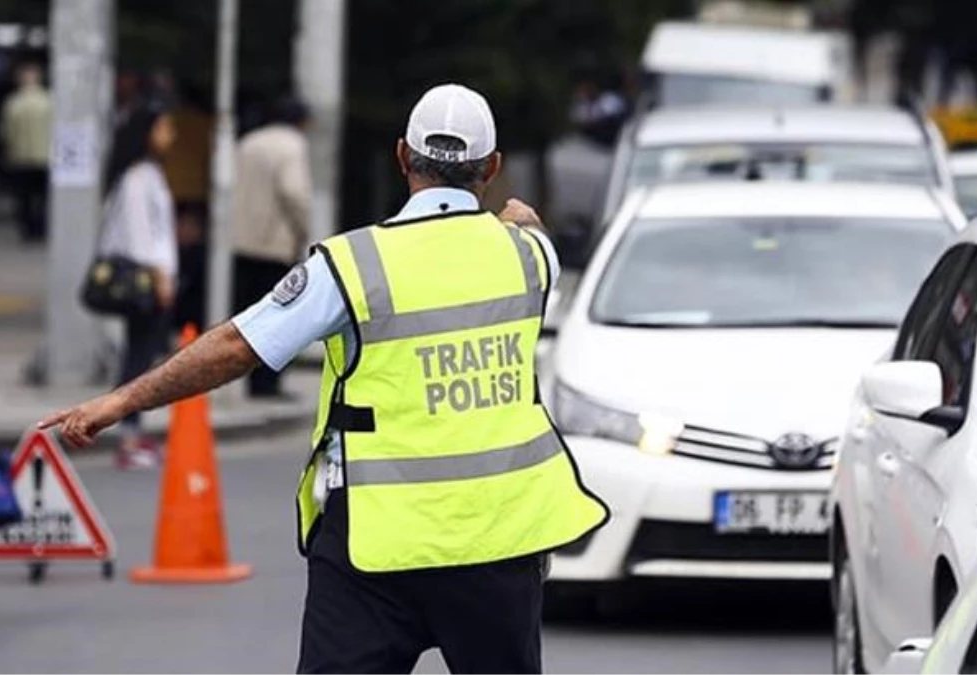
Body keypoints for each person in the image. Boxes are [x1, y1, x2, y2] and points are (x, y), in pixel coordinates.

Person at [42, 84, 608, 674]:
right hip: (499, 541)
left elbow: (239, 345)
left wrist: (122, 399)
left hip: (373, 543)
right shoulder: (529, 257)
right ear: (493, 167)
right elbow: (527, 224)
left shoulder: (351, 265)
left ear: (400, 157)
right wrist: (515, 218)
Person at [97, 105, 179, 470]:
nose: (170, 135)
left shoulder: (149, 173)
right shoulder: (136, 177)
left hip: (154, 277)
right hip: (145, 279)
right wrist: (160, 277)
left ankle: (132, 429)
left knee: (142, 353)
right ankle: (127, 433)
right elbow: (140, 235)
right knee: (138, 356)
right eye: (164, 127)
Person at [231, 96, 313, 399]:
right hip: (274, 243)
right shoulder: (292, 146)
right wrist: (302, 230)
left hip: (242, 240)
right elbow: (294, 191)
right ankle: (268, 384)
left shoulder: (249, 142)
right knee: (279, 317)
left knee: (249, 315)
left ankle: (251, 380)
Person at [0, 63, 52, 243]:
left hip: (21, 156)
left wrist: (9, 152)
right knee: (43, 196)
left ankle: (28, 228)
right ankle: (41, 227)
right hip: (45, 155)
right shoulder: (49, 101)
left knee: (24, 197)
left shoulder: (13, 103)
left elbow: (7, 132)